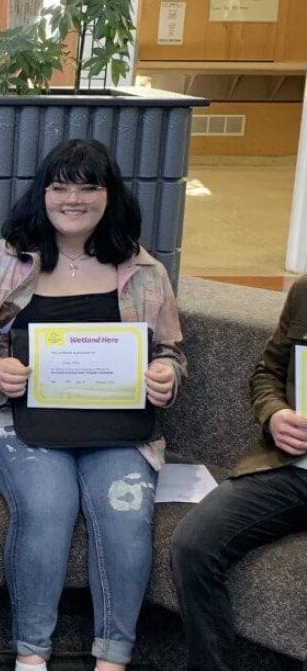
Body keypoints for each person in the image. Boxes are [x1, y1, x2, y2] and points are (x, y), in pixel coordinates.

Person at [0, 139, 186, 671]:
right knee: (47, 508)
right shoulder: (2, 260)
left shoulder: (145, 271)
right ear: (43, 193)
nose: (72, 199)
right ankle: (32, 655)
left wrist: (167, 374)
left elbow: (170, 350)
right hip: (18, 423)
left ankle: (113, 657)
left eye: (87, 187)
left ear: (109, 195)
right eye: (60, 187)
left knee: (126, 515)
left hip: (118, 427)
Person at [171, 278, 307, 671]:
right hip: (290, 469)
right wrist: (275, 414)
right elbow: (267, 373)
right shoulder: (304, 292)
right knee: (192, 546)